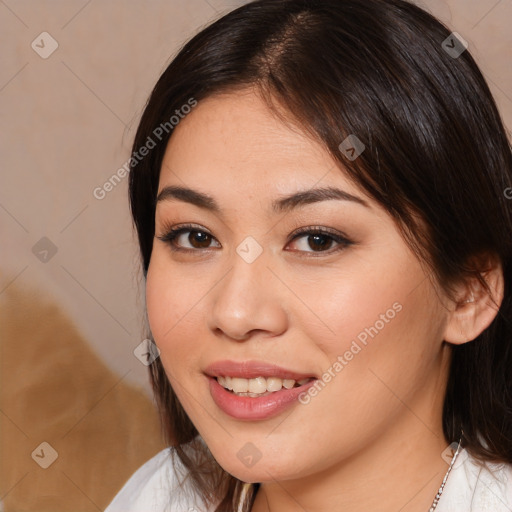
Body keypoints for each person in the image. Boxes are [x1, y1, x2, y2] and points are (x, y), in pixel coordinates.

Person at [104, 0, 512, 510]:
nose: (235, 313)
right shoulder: (159, 495)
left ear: (469, 291)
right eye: (195, 237)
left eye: (317, 240)